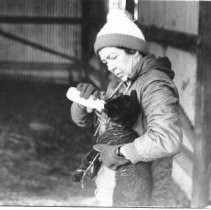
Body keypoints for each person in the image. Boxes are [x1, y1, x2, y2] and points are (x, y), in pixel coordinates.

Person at [70, 9, 183, 207]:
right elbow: (88, 121)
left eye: (113, 57)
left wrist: (120, 152)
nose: (109, 66)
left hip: (141, 191)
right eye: (105, 61)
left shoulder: (154, 85)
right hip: (112, 184)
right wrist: (83, 103)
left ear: (133, 50)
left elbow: (167, 139)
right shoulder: (119, 83)